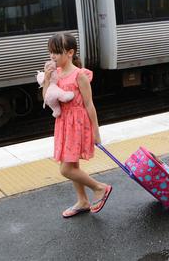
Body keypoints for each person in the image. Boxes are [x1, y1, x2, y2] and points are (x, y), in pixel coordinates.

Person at [43, 33, 113, 218]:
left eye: (57, 53)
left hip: (77, 123)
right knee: (72, 163)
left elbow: (89, 104)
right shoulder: (55, 74)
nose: (52, 56)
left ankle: (100, 188)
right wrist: (47, 78)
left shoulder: (79, 75)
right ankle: (82, 201)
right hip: (63, 122)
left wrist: (96, 131)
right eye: (51, 52)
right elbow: (47, 98)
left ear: (70, 53)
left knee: (66, 169)